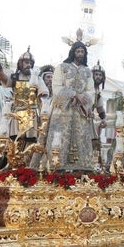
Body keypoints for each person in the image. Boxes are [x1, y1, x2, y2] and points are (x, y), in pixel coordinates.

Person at [45, 41, 96, 171]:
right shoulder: (62, 67)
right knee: (59, 140)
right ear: (73, 52)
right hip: (63, 112)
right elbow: (56, 87)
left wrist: (81, 99)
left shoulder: (87, 72)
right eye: (78, 51)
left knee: (82, 141)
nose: (80, 54)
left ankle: (81, 171)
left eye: (82, 52)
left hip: (80, 112)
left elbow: (91, 91)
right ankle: (56, 168)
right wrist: (73, 95)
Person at [0, 47, 47, 150]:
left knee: (31, 142)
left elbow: (44, 94)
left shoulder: (37, 78)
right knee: (16, 141)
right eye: (26, 62)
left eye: (31, 63)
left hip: (32, 115)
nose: (29, 65)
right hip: (17, 114)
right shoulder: (15, 77)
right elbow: (1, 76)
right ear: (20, 63)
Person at [90, 62, 108, 163]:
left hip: (89, 120)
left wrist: (104, 119)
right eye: (96, 74)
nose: (98, 77)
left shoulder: (98, 93)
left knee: (93, 142)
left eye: (100, 75)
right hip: (78, 117)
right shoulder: (85, 87)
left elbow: (100, 109)